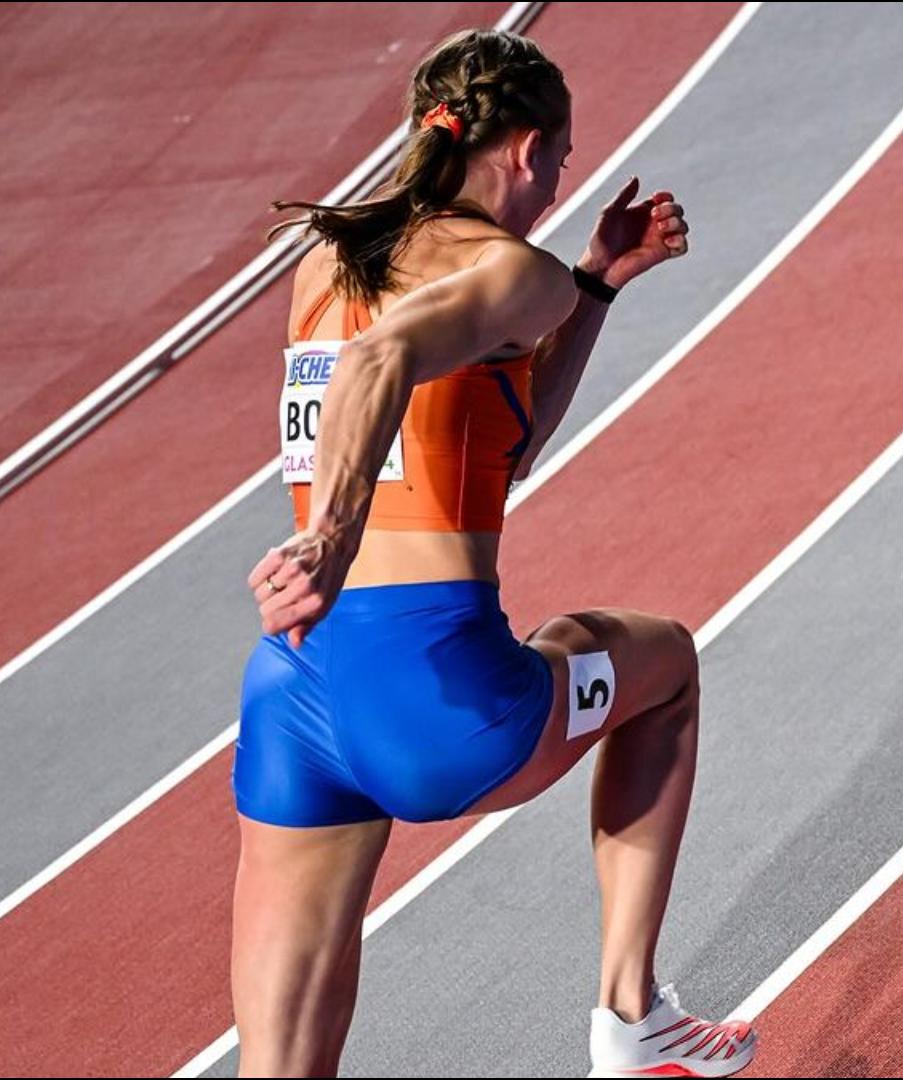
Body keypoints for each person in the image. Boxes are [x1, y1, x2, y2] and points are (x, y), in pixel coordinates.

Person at [228, 28, 754, 1079]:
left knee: (280, 1068)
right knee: (662, 662)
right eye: (559, 161)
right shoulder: (510, 270)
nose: (558, 185)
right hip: (440, 696)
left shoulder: (330, 257)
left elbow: (489, 451)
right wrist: (330, 542)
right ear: (522, 150)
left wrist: (597, 283)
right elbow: (384, 361)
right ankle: (628, 1015)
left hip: (296, 691)